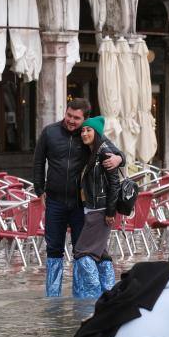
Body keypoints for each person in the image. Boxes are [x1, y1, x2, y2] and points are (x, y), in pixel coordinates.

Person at [33, 99, 124, 297]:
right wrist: (39, 190)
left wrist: (119, 158)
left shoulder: (88, 134)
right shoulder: (50, 132)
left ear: (85, 119)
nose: (71, 121)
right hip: (55, 201)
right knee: (53, 248)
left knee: (81, 250)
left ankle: (81, 295)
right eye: (69, 115)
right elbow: (38, 162)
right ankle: (53, 297)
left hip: (80, 204)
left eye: (76, 118)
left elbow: (113, 151)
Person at [72, 117, 120, 299]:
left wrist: (110, 211)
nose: (84, 133)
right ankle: (109, 293)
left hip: (100, 210)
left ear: (97, 133)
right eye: (83, 131)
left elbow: (114, 184)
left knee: (83, 252)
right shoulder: (90, 152)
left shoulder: (104, 153)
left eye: (88, 131)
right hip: (91, 208)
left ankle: (92, 297)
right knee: (101, 253)